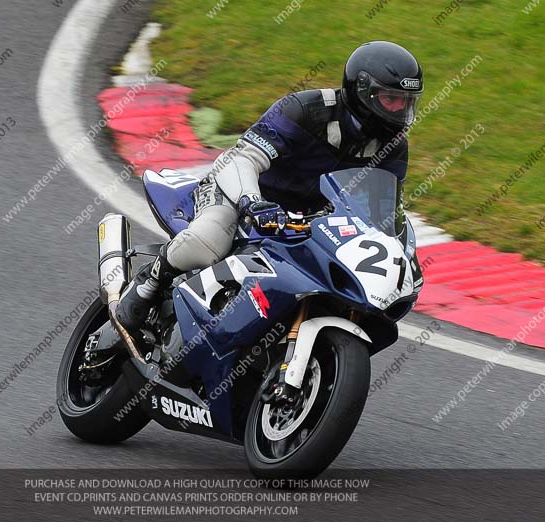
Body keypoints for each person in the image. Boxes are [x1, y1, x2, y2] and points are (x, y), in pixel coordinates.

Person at [116, 41, 423, 331]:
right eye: (391, 99)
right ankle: (150, 283)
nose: (399, 111)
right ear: (363, 91)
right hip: (242, 194)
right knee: (208, 241)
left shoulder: (394, 147)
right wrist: (252, 202)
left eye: (407, 102)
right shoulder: (305, 109)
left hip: (307, 222)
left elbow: (381, 209)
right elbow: (244, 158)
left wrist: (398, 249)